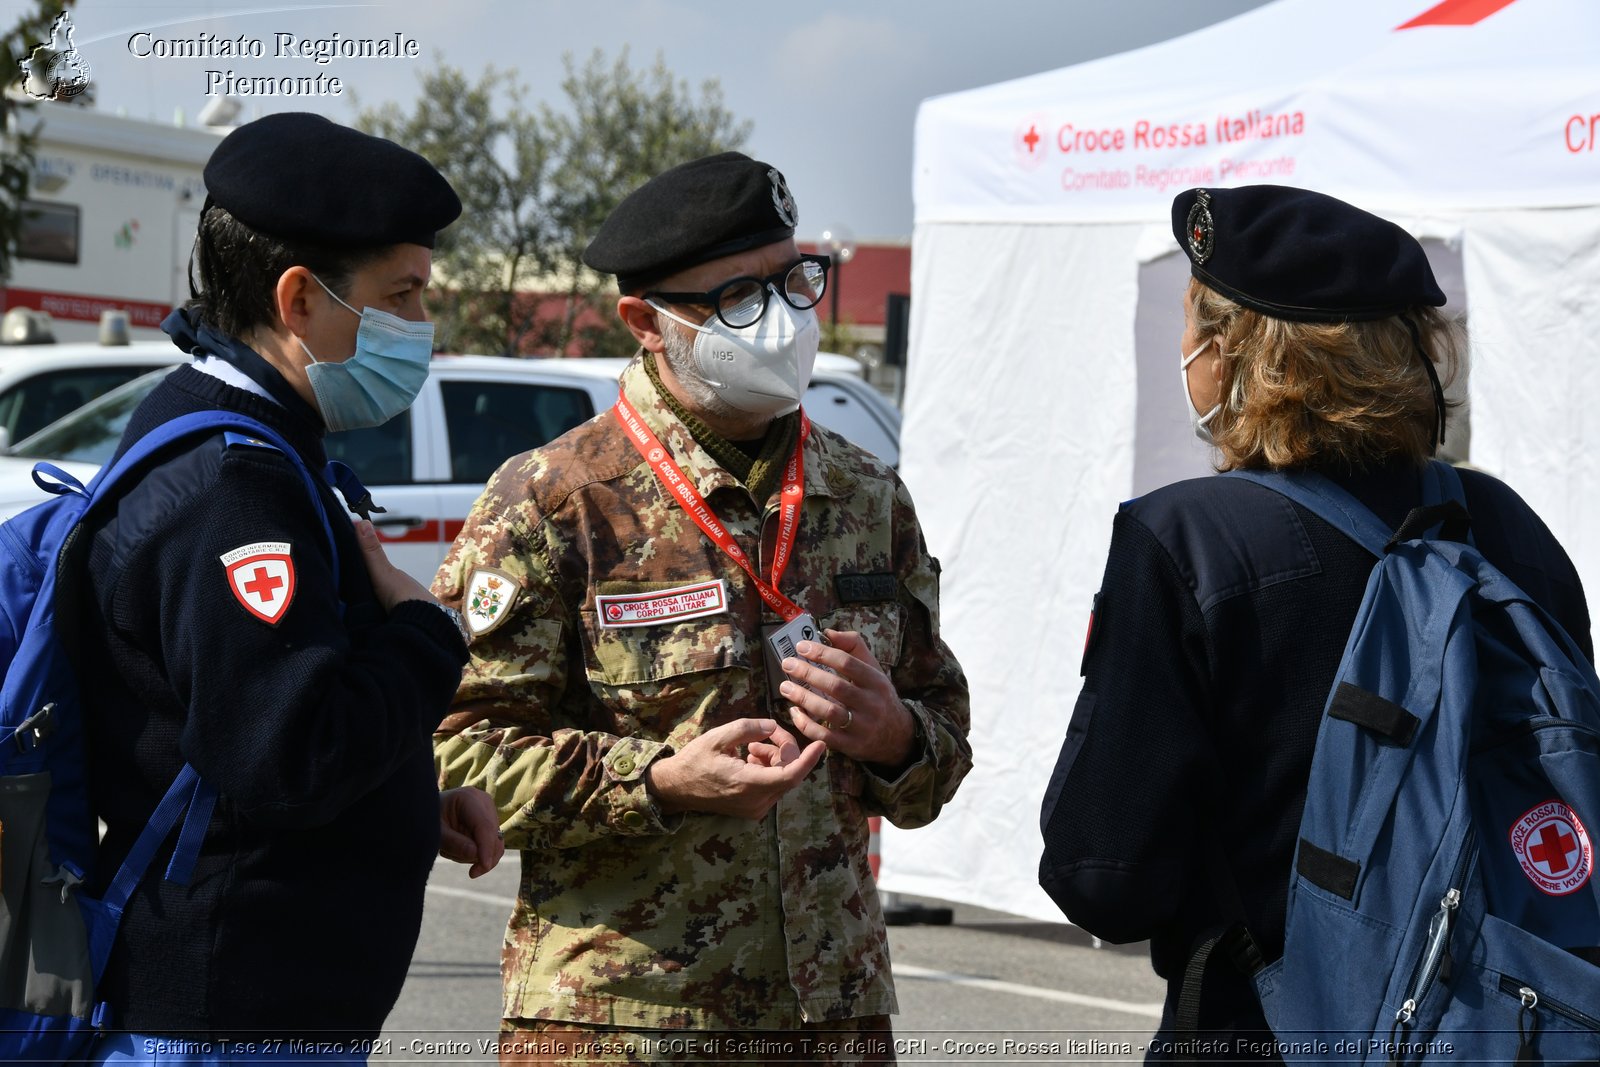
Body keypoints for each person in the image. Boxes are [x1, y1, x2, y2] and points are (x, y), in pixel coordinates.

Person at [432, 152, 971, 1065]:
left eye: (795, 281)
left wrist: (895, 738)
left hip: (831, 1019)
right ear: (647, 321)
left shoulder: (868, 495)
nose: (784, 319)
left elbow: (942, 747)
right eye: (737, 297)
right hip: (622, 1022)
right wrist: (657, 781)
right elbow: (454, 751)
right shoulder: (554, 500)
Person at [1037, 185, 1592, 1061]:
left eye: (1194, 325)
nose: (1185, 351)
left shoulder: (1186, 540)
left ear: (1234, 352)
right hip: (1501, 1033)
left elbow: (1105, 878)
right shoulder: (1509, 531)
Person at [73, 112, 504, 1063]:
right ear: (299, 298)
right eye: (404, 296)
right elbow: (287, 755)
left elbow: (253, 721)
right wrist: (430, 633)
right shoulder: (237, 486)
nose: (424, 330)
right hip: (226, 1015)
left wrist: (401, 787)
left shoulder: (255, 442)